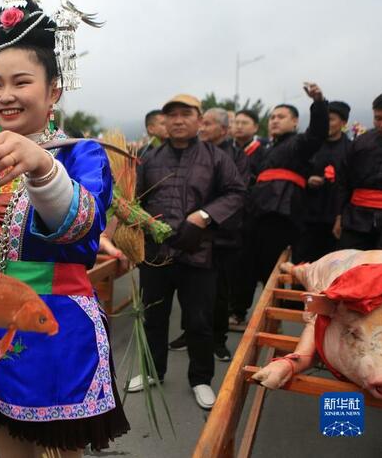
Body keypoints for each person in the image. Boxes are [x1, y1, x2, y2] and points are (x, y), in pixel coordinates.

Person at [0, 0, 129, 455]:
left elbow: (82, 230)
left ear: (54, 92)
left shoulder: (82, 155)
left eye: (22, 82)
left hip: (57, 324)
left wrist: (45, 167)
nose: (6, 95)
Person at [129, 95, 245, 409]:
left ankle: (201, 379)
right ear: (164, 122)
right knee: (154, 316)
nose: (178, 120)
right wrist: (135, 221)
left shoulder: (216, 157)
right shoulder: (149, 157)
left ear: (199, 119)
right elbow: (134, 200)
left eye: (185, 114)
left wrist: (205, 216)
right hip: (156, 254)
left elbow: (236, 193)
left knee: (199, 320)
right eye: (172, 115)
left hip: (198, 253)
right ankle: (153, 370)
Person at [230, 85, 329, 328]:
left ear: (295, 122)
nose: (274, 121)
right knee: (245, 263)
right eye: (272, 117)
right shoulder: (265, 149)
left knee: (270, 266)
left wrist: (318, 102)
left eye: (281, 117)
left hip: (281, 213)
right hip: (257, 210)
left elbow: (317, 133)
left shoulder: (300, 143)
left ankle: (273, 317)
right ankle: (239, 312)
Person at [168, 108, 249, 362]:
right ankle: (188, 333)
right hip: (193, 234)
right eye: (204, 123)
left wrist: (208, 214)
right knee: (191, 291)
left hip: (222, 234)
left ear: (224, 130)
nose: (203, 128)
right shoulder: (193, 152)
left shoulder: (235, 155)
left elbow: (237, 194)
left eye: (210, 124)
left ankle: (218, 339)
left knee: (219, 291)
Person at [293, 101, 351, 262]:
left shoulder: (351, 149)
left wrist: (341, 217)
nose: (326, 124)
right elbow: (295, 169)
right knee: (302, 265)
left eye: (331, 119)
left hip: (335, 221)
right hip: (307, 217)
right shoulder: (310, 146)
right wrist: (307, 180)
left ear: (344, 123)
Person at [335, 92, 382, 249]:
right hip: (356, 219)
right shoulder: (360, 143)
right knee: (350, 267)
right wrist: (338, 217)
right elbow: (343, 181)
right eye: (378, 118)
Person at [231, 109, 266, 182]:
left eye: (244, 123)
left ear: (255, 127)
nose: (239, 126)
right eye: (236, 123)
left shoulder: (263, 153)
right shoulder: (224, 148)